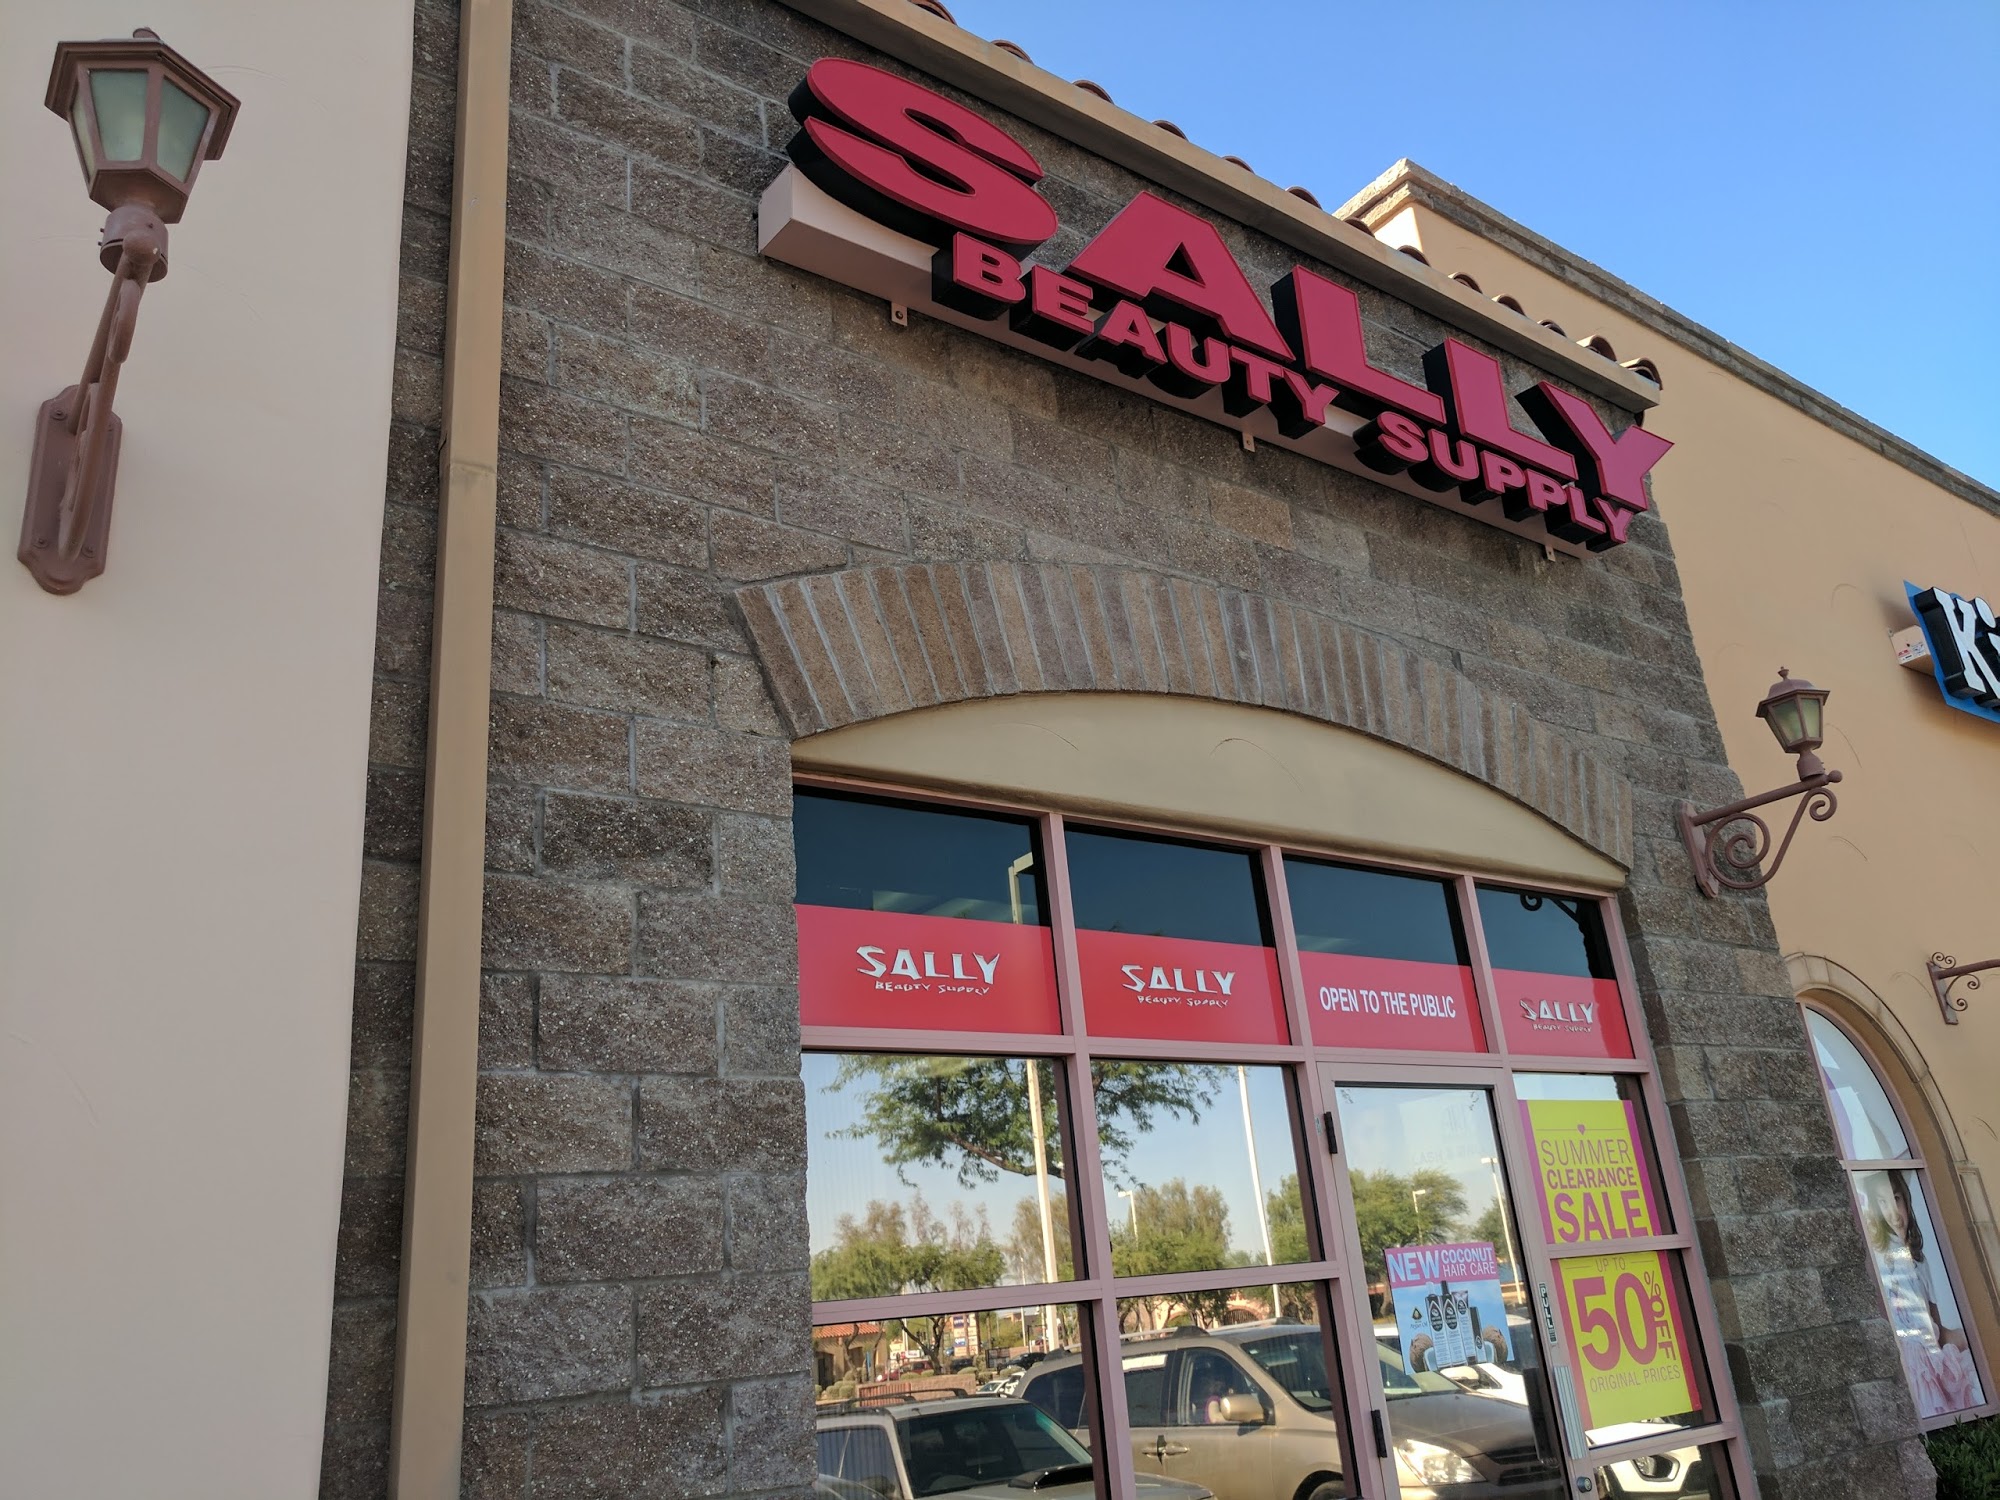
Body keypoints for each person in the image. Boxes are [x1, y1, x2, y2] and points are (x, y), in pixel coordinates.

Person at [1863, 1170, 1982, 1418]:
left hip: (1932, 1362)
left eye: (1896, 1199)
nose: (1893, 1213)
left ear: (1906, 1200)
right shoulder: (1880, 1259)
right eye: (1882, 1203)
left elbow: (1935, 1327)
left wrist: (1970, 1336)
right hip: (1911, 1367)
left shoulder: (1919, 1260)